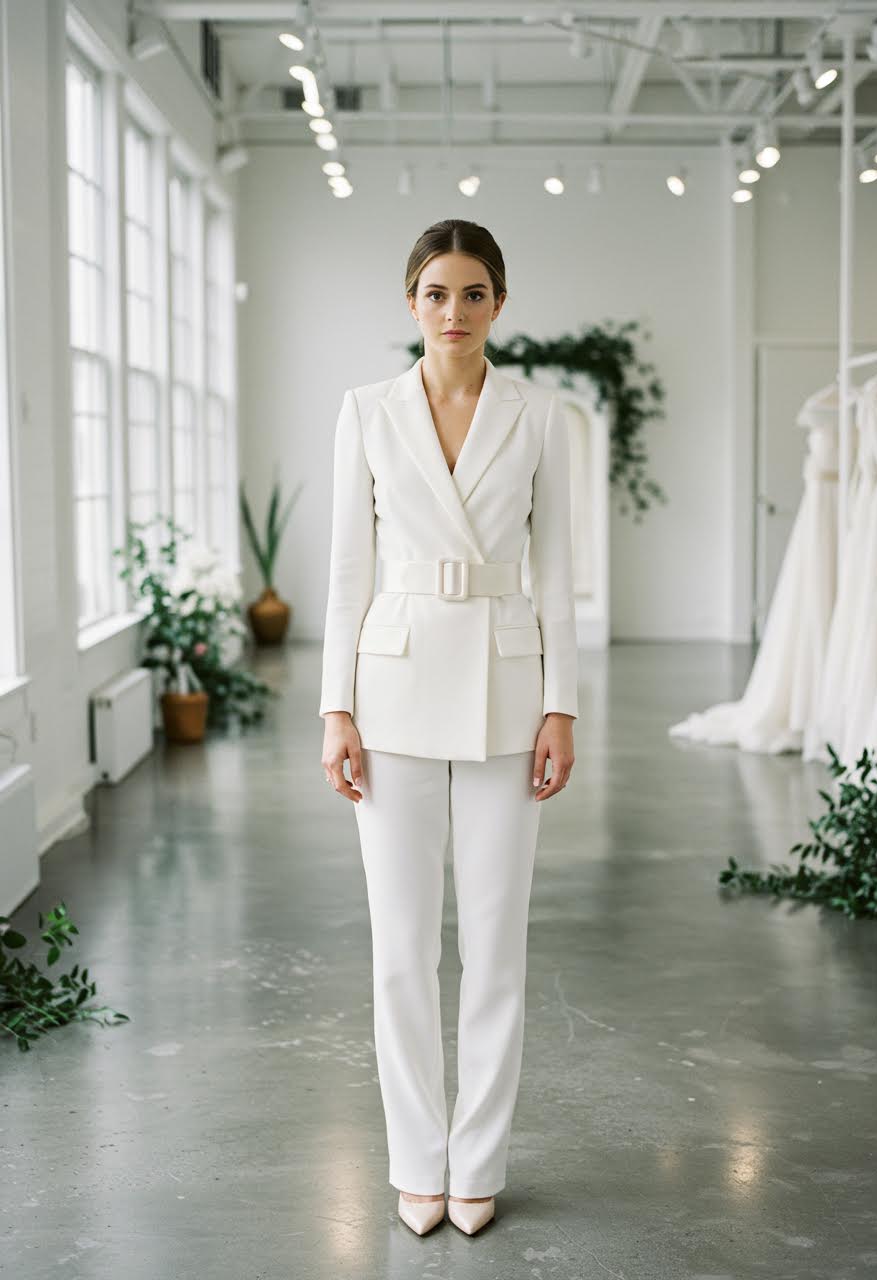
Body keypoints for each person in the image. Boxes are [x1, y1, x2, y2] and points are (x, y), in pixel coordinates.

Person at [319, 218, 578, 1236]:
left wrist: (562, 703)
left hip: (508, 695)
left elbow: (558, 571)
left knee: (496, 948)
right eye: (436, 292)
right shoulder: (366, 410)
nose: (454, 311)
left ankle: (478, 1162)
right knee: (401, 951)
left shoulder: (540, 414)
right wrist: (334, 708)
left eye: (473, 293)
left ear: (498, 303)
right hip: (390, 693)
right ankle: (414, 1160)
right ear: (411, 301)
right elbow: (346, 573)